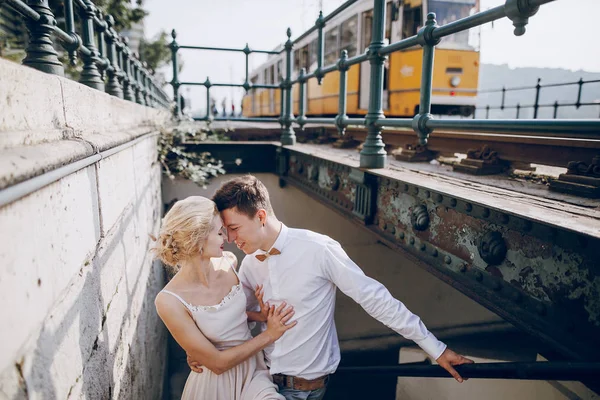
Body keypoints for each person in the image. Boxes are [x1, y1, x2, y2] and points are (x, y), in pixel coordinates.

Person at [188, 175, 474, 400]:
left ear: (260, 216)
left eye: (234, 228)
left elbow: (375, 298)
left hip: (311, 388)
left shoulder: (319, 249)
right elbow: (235, 317)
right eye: (226, 231)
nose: (230, 238)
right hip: (262, 384)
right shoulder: (250, 264)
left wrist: (435, 349)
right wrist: (200, 346)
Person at [152, 196, 297, 399]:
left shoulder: (230, 262)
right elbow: (217, 363)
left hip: (254, 372)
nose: (227, 238)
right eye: (220, 232)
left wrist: (259, 316)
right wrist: (269, 335)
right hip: (216, 383)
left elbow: (225, 316)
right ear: (198, 238)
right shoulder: (168, 301)